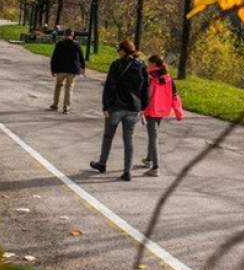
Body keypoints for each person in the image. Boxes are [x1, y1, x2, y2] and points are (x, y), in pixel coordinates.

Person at [90, 40, 149, 181]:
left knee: (108, 136)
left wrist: (106, 106)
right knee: (129, 139)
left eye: (119, 49)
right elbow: (145, 89)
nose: (118, 51)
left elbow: (110, 86)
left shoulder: (116, 65)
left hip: (116, 107)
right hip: (133, 108)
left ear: (123, 50)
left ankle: (102, 163)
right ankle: (127, 171)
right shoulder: (142, 66)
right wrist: (143, 107)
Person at [140, 54, 184, 177]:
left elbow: (144, 93)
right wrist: (178, 111)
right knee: (154, 134)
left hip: (151, 109)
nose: (148, 65)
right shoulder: (168, 78)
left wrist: (140, 107)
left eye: (149, 63)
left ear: (153, 64)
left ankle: (156, 167)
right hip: (162, 110)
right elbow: (175, 95)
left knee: (153, 137)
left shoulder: (150, 77)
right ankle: (149, 159)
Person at [49, 29, 85, 114]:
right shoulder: (76, 45)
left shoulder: (60, 44)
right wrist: (82, 68)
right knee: (69, 88)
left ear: (64, 35)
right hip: (72, 70)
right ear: (72, 35)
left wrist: (53, 69)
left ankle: (55, 104)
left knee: (58, 86)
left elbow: (54, 57)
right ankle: (66, 108)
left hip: (61, 69)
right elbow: (81, 57)